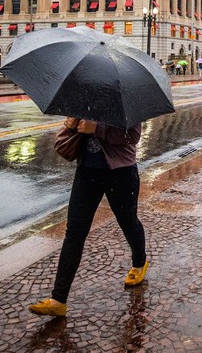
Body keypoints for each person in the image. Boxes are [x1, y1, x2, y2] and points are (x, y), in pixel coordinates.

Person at [28, 117, 148, 318]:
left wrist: (97, 128)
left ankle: (139, 261)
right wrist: (72, 124)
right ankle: (58, 299)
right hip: (87, 171)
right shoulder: (86, 97)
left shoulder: (123, 97)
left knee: (128, 222)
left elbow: (133, 136)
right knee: (74, 231)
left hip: (121, 172)